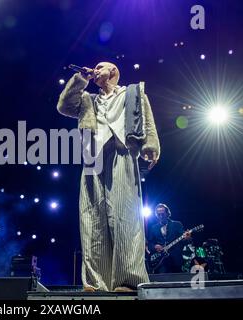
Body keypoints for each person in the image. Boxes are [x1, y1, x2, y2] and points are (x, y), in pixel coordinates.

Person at [57, 62, 161, 292]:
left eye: (99, 66)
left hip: (123, 151)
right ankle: (96, 282)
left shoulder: (133, 92)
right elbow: (64, 106)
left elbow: (147, 121)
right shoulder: (88, 99)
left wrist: (151, 145)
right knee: (92, 218)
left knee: (124, 216)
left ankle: (127, 281)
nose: (95, 70)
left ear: (113, 71)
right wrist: (79, 79)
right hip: (93, 155)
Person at [147, 204, 191, 273]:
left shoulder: (177, 224)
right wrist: (154, 246)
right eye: (159, 214)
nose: (161, 216)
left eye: (162, 214)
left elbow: (184, 240)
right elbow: (149, 244)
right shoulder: (153, 228)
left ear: (168, 214)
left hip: (175, 260)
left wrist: (187, 238)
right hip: (161, 262)